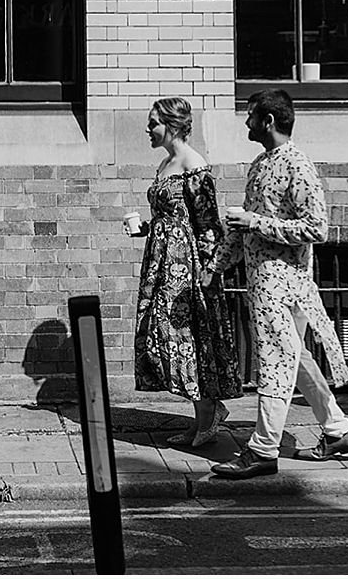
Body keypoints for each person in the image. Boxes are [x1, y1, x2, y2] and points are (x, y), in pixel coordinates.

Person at [210, 89, 348, 479]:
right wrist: (216, 267)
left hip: (285, 284)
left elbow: (316, 228)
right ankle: (338, 429)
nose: (246, 123)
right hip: (263, 280)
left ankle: (262, 450)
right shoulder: (260, 165)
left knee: (275, 362)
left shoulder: (298, 166)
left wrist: (255, 222)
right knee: (295, 358)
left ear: (269, 121)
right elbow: (243, 229)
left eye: (251, 116)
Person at [126, 97, 242, 447]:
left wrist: (210, 270)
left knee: (187, 337)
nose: (148, 129)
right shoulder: (166, 163)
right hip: (161, 262)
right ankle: (207, 412)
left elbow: (208, 225)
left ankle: (207, 418)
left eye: (153, 123)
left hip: (186, 268)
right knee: (163, 338)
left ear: (172, 125)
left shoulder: (194, 165)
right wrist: (147, 228)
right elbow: (172, 216)